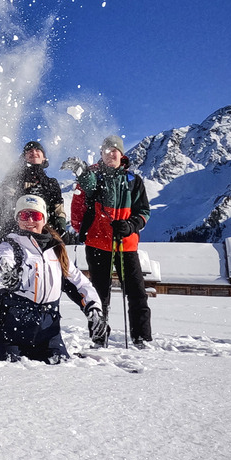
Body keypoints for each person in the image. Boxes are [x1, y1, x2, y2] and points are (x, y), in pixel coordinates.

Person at [0, 195, 105, 363]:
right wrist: (6, 276)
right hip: (10, 331)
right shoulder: (8, 246)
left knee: (61, 369)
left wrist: (94, 308)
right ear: (17, 219)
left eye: (35, 215)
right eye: (24, 215)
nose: (29, 221)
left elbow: (79, 283)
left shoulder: (56, 250)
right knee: (10, 370)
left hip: (48, 332)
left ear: (44, 219)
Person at [70, 135, 153, 347]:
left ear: (121, 154)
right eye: (106, 151)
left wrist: (130, 225)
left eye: (114, 150)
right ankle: (99, 338)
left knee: (137, 293)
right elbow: (86, 190)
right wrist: (82, 174)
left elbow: (144, 211)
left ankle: (141, 337)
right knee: (99, 295)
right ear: (101, 154)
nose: (110, 154)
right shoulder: (94, 177)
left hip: (126, 244)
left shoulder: (133, 180)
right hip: (98, 244)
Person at [0, 140, 69, 243]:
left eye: (38, 150)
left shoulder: (51, 183)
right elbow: (3, 204)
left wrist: (61, 228)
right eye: (29, 151)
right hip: (15, 231)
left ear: (44, 158)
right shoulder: (13, 178)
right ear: (24, 158)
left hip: (43, 232)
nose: (34, 152)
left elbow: (58, 209)